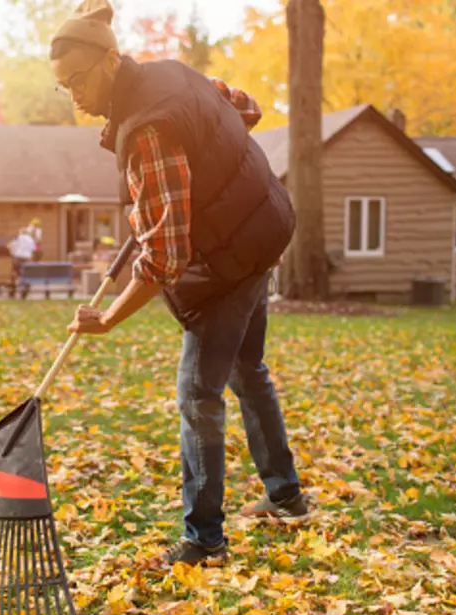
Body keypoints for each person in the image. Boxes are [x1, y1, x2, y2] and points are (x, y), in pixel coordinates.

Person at [51, 0, 309, 567]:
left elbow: (167, 257)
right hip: (266, 226)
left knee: (198, 393)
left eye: (77, 80)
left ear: (112, 61)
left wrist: (109, 318)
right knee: (247, 367)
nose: (72, 96)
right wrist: (209, 142)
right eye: (61, 86)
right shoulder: (174, 73)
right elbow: (246, 106)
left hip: (234, 255)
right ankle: (286, 495)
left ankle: (204, 538)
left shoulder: (147, 133)